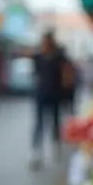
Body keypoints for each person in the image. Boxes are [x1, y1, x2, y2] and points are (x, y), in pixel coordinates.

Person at [30, 32, 74, 168]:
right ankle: (36, 151)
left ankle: (55, 146)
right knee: (39, 123)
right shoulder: (38, 57)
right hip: (41, 94)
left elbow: (67, 75)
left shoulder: (59, 58)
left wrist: (66, 91)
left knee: (55, 122)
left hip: (55, 95)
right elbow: (36, 75)